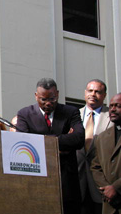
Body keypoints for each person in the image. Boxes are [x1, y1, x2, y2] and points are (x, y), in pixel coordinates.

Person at [16, 78, 85, 214]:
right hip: (37, 180)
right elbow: (24, 145)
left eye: (52, 99)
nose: (48, 103)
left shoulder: (71, 112)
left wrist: (41, 142)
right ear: (36, 96)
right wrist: (62, 143)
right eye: (43, 99)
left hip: (66, 181)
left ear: (57, 94)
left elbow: (79, 139)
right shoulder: (24, 114)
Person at [77, 79, 113, 214]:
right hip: (78, 180)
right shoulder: (74, 115)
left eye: (98, 92)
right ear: (85, 93)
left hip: (103, 182)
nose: (93, 94)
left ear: (104, 95)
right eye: (90, 91)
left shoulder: (112, 116)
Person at [91, 93, 121, 214]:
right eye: (111, 106)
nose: (112, 109)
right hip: (110, 204)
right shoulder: (101, 138)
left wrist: (116, 188)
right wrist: (106, 189)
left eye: (118, 106)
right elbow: (95, 166)